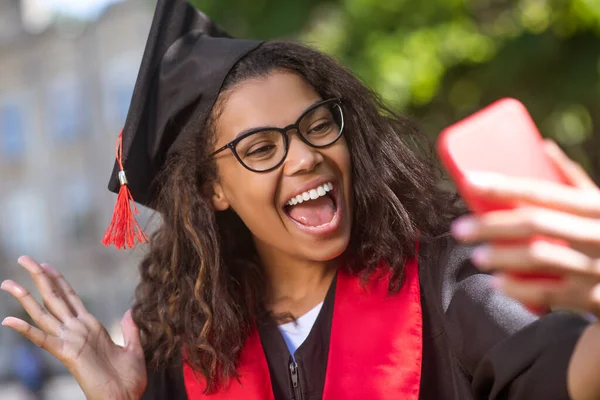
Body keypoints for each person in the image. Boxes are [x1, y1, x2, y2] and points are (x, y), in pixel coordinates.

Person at [2, 0, 600, 399]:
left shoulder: (450, 280)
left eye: (317, 124)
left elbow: (564, 371)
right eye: (261, 148)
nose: (305, 156)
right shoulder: (189, 351)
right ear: (213, 190)